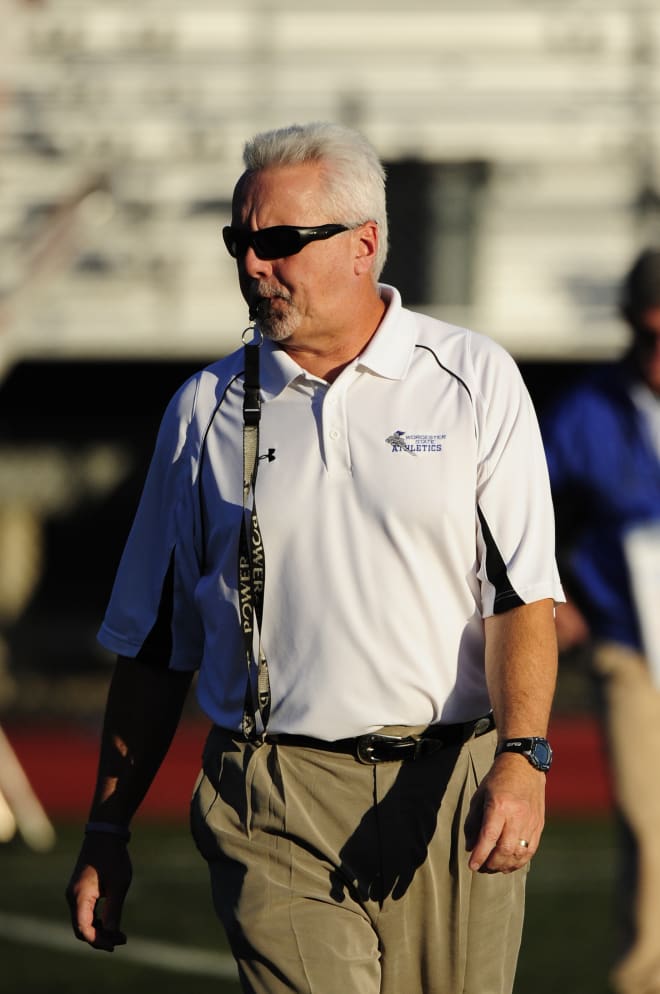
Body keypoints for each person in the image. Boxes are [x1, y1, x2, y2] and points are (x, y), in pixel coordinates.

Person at [65, 121, 562, 994]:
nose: (254, 264)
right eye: (239, 242)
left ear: (363, 244)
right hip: (271, 797)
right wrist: (107, 831)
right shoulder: (202, 411)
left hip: (452, 788)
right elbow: (152, 643)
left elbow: (522, 599)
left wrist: (522, 760)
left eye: (278, 242)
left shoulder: (475, 379)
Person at [542, 248, 660, 994]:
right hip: (632, 650)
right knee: (654, 828)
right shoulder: (586, 412)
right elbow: (520, 516)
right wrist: (555, 597)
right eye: (650, 337)